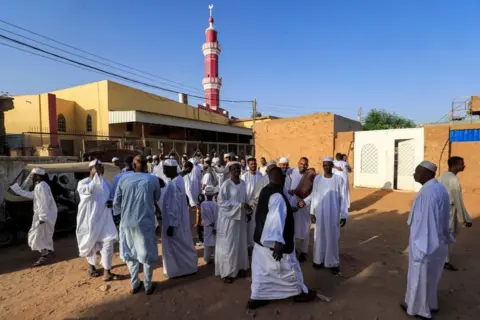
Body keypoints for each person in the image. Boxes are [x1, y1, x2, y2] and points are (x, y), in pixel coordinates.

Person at [248, 167, 316, 309]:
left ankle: (259, 296)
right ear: (283, 179)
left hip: (261, 243)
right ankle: (298, 293)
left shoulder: (267, 190)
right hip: (275, 244)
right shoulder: (277, 197)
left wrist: (292, 207)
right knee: (288, 269)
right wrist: (278, 243)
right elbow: (276, 220)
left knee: (262, 273)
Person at [401, 161, 453, 320]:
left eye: (417, 172)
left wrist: (422, 247)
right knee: (429, 277)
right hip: (435, 242)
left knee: (420, 277)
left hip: (424, 244)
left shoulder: (429, 192)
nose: (414, 174)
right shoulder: (437, 188)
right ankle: (426, 304)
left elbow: (428, 222)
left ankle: (420, 310)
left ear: (428, 174)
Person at [113, 155, 161, 295]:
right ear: (147, 166)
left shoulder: (123, 179)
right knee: (146, 254)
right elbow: (156, 197)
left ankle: (135, 284)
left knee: (130, 253)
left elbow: (116, 202)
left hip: (127, 222)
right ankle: (148, 285)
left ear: (133, 166)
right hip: (144, 223)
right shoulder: (152, 179)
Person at [299, 157, 347, 275]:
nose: (326, 166)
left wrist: (344, 215)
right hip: (320, 213)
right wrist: (312, 212)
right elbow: (315, 196)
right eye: (324, 164)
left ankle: (333, 263)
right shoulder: (318, 179)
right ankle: (318, 260)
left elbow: (344, 199)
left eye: (328, 164)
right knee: (319, 237)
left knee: (332, 238)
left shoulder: (339, 180)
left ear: (332, 165)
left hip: (333, 214)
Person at [76, 160, 119, 280]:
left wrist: (112, 202)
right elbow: (89, 191)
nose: (101, 169)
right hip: (89, 220)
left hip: (105, 219)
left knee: (108, 243)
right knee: (90, 243)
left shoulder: (106, 183)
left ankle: (107, 271)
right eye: (98, 167)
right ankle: (92, 267)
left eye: (101, 167)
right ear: (91, 169)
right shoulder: (83, 183)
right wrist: (96, 176)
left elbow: (112, 196)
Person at [10, 168, 58, 267]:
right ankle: (50, 251)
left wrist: (42, 218)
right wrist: (17, 190)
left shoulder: (42, 186)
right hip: (44, 214)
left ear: (37, 176)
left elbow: (44, 203)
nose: (31, 177)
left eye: (32, 175)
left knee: (35, 235)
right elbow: (32, 195)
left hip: (45, 215)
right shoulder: (40, 186)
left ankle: (44, 255)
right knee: (44, 235)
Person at [161, 159, 198, 278]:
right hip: (179, 220)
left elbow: (173, 207)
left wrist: (172, 224)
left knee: (179, 244)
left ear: (171, 169)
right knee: (182, 243)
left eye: (165, 169)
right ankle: (183, 268)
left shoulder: (174, 184)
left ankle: (184, 268)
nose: (164, 171)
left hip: (175, 222)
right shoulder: (178, 180)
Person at [215, 162, 252, 283]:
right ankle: (228, 272)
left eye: (238, 168)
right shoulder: (226, 185)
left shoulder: (243, 184)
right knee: (229, 245)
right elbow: (221, 203)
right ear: (230, 171)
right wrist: (239, 206)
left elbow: (245, 200)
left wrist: (247, 211)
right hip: (229, 220)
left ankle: (240, 267)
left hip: (240, 220)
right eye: (234, 169)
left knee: (240, 243)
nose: (237, 170)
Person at [438, 156, 472, 271]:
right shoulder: (453, 179)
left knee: (454, 230)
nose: (463, 166)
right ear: (454, 165)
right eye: (461, 164)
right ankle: (444, 260)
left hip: (442, 209)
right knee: (450, 234)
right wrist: (465, 218)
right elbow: (458, 200)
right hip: (449, 210)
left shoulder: (443, 175)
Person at [287, 157, 311, 262]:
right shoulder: (292, 172)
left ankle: (304, 252)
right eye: (301, 163)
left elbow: (313, 192)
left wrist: (305, 201)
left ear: (307, 165)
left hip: (305, 205)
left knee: (305, 228)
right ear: (297, 163)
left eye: (305, 164)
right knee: (293, 228)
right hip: (293, 205)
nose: (303, 166)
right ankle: (295, 250)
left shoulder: (310, 176)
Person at [241, 157, 263, 247]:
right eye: (251, 164)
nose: (253, 165)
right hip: (247, 205)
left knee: (256, 225)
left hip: (258, 204)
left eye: (255, 163)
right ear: (248, 165)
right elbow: (242, 191)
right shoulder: (244, 176)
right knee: (247, 225)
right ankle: (247, 245)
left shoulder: (260, 175)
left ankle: (255, 244)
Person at [200, 186, 218, 264]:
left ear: (205, 195)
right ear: (213, 194)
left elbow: (203, 216)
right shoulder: (215, 204)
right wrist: (215, 226)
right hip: (214, 226)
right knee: (215, 243)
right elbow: (217, 216)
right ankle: (216, 259)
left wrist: (209, 224)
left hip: (207, 226)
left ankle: (207, 258)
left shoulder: (203, 204)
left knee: (207, 242)